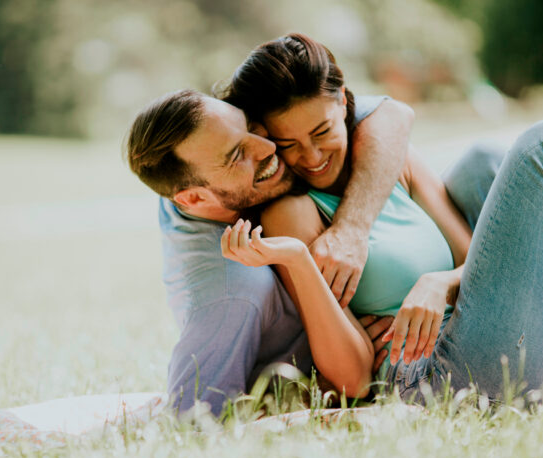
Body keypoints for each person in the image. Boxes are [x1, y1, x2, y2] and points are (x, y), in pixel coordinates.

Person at [220, 33, 543, 403]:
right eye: (289, 145)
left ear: (342, 102)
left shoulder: (390, 161)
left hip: (519, 349)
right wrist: (299, 261)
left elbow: (475, 261)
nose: (312, 156)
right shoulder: (293, 213)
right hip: (439, 373)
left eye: (321, 132)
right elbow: (352, 380)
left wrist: (440, 285)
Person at [126, 88, 415, 415]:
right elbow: (193, 422)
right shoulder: (231, 293)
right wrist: (309, 392)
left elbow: (393, 114)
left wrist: (352, 227)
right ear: (194, 199)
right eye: (237, 155)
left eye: (250, 125)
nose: (269, 146)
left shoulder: (214, 132)